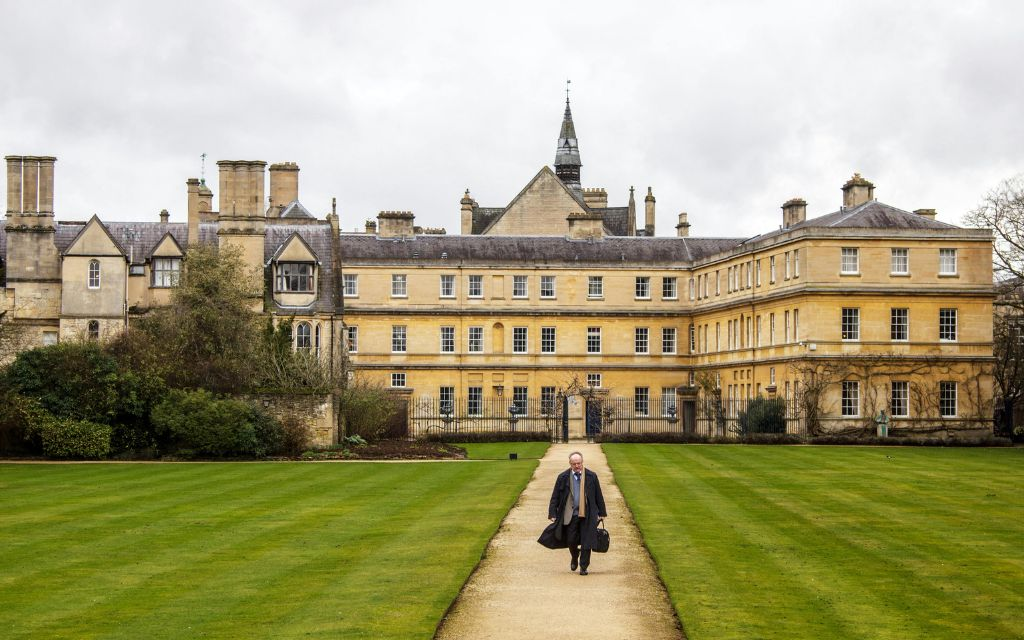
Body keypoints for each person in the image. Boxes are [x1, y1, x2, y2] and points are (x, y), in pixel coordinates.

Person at [548, 450, 607, 575]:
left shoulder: (592, 476)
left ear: (582, 462)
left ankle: (583, 567)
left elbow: (598, 495)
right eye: (574, 463)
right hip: (571, 514)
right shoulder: (563, 477)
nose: (577, 466)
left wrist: (602, 512)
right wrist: (552, 513)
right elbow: (555, 496)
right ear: (570, 464)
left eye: (579, 463)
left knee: (587, 540)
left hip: (588, 513)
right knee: (571, 540)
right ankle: (575, 556)